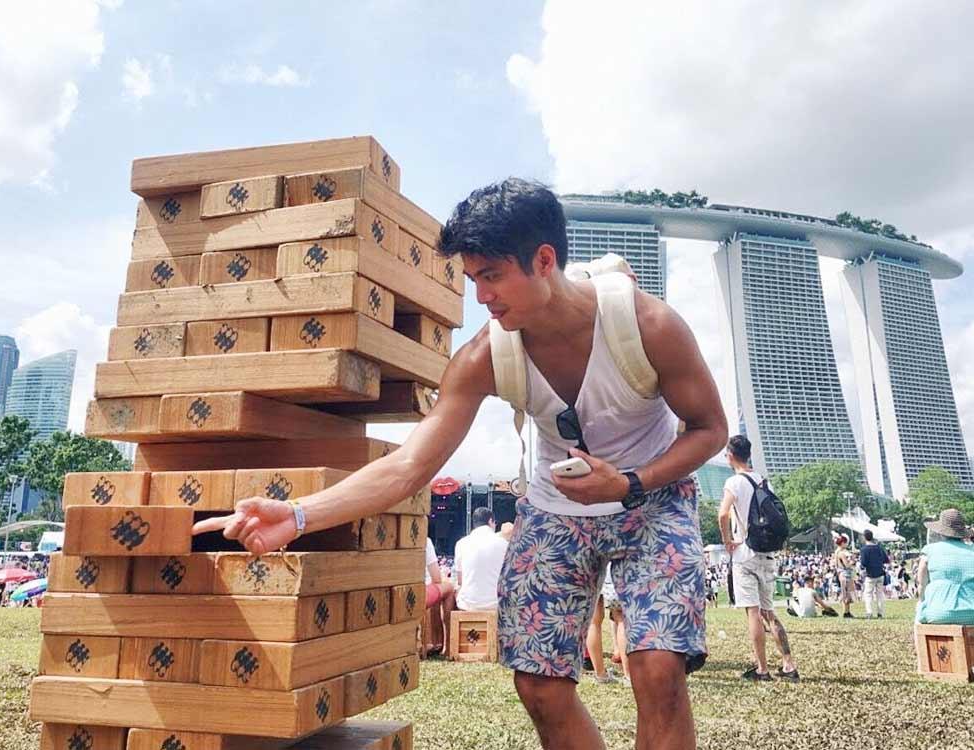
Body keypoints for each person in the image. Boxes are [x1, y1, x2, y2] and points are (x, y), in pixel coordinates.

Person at [193, 178, 727, 750]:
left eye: (492, 275)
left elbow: (711, 430)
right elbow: (409, 466)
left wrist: (628, 481)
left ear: (544, 260)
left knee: (657, 668)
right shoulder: (485, 357)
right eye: (474, 279)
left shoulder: (650, 326)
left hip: (650, 496)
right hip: (557, 508)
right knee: (539, 685)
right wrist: (297, 515)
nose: (482, 297)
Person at [718, 434, 799, 682]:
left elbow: (722, 514)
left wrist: (727, 541)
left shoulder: (734, 482)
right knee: (769, 612)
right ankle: (788, 664)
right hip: (766, 552)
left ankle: (762, 668)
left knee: (752, 612)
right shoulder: (764, 481)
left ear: (731, 455)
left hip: (745, 553)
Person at [446, 508, 509, 654]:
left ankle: (448, 643)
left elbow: (460, 581)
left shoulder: (461, 543)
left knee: (452, 590)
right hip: (496, 603)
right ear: (491, 522)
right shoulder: (503, 544)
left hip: (468, 603)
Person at [915, 508, 974, 626]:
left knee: (918, 617)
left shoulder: (929, 551)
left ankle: (921, 645)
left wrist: (921, 603)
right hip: (972, 614)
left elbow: (922, 584)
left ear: (940, 532)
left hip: (939, 613)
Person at [424, 536, 455, 655]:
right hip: (418, 595)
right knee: (449, 588)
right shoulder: (424, 541)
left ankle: (433, 640)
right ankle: (446, 644)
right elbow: (436, 578)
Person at [859, 529, 890, 619]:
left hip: (870, 574)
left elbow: (863, 563)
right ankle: (880, 613)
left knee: (868, 594)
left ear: (865, 537)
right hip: (880, 573)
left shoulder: (864, 549)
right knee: (879, 594)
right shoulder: (879, 548)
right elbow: (886, 560)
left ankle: (869, 612)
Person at [832, 535, 856, 618]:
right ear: (842, 543)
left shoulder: (837, 552)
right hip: (845, 574)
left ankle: (847, 611)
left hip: (841, 574)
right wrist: (853, 561)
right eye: (845, 543)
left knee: (845, 592)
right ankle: (846, 612)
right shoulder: (841, 553)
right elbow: (847, 565)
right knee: (846, 593)